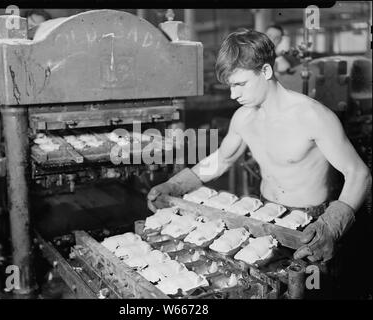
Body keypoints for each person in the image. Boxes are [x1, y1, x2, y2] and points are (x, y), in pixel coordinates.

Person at [147, 28, 371, 264]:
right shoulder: (244, 118)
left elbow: (359, 174)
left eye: (240, 84)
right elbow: (221, 160)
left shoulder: (312, 116)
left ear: (266, 70)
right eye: (230, 86)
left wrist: (331, 226)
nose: (233, 95)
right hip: (262, 212)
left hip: (309, 222)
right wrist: (175, 185)